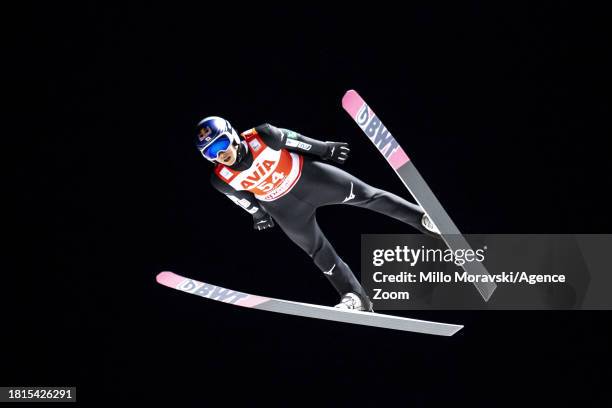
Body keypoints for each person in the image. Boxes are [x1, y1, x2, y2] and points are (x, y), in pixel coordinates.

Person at [196, 116, 440, 312]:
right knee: (317, 250)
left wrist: (325, 150)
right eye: (210, 153)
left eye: (220, 145)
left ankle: (423, 220)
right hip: (283, 209)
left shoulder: (263, 135)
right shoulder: (221, 179)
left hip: (310, 179)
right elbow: (242, 199)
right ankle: (356, 297)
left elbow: (295, 140)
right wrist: (258, 215)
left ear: (232, 135)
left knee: (369, 196)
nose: (220, 155)